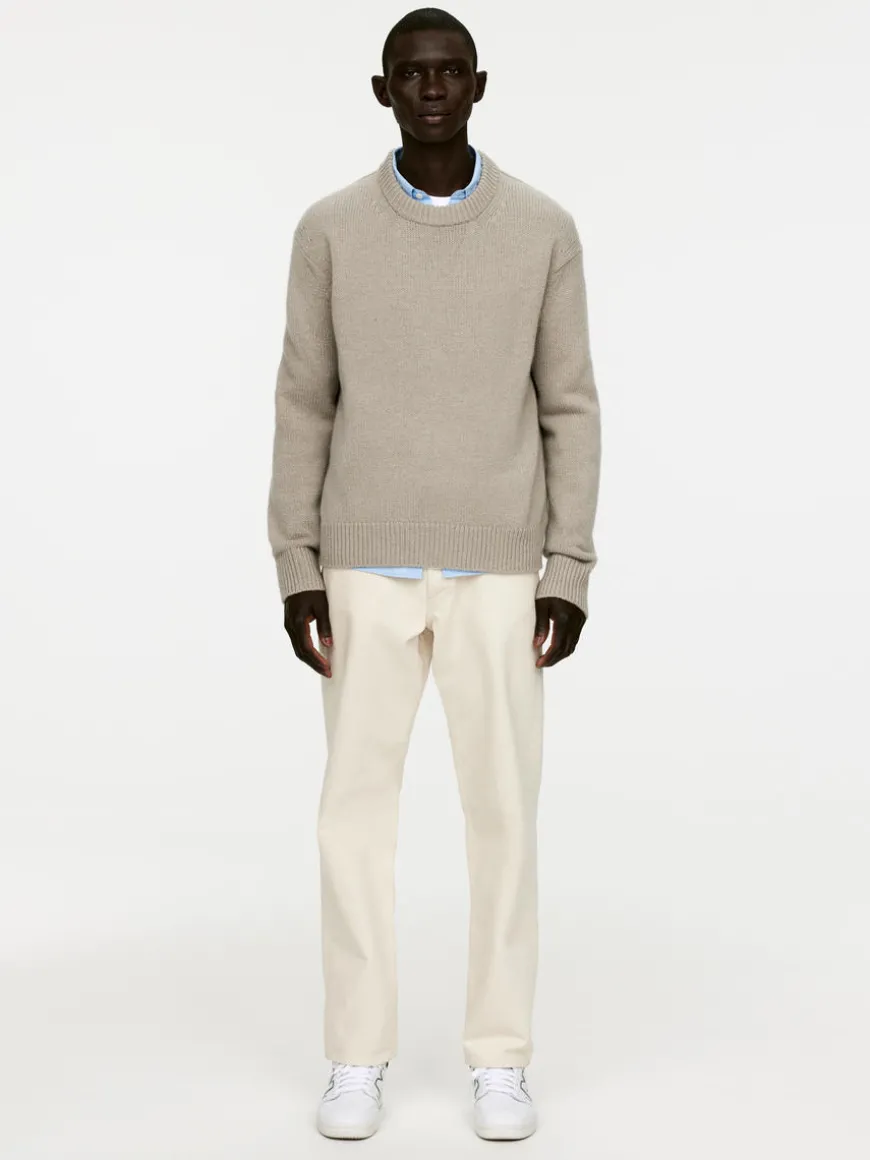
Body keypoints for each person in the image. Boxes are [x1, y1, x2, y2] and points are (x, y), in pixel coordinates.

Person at [267, 6, 602, 1142]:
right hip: (361, 566)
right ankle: (355, 1054)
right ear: (382, 90)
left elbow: (569, 405)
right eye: (411, 74)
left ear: (479, 85)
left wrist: (568, 568)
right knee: (352, 820)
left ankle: (500, 1059)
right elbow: (304, 400)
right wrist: (296, 563)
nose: (430, 90)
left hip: (499, 571)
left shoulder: (543, 230)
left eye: (449, 72)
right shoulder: (329, 231)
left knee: (504, 817)